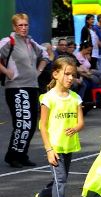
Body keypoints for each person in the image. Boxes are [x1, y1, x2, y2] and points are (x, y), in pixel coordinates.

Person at [35, 57, 84, 197]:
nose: (71, 78)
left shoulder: (75, 98)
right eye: (67, 74)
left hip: (68, 145)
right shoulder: (48, 98)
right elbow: (43, 126)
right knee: (61, 179)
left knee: (60, 179)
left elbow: (80, 122)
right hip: (54, 146)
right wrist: (49, 149)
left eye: (73, 75)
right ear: (55, 74)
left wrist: (76, 128)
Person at [0, 13, 49, 168]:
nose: (23, 28)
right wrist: (7, 72)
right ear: (14, 26)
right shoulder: (9, 42)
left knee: (31, 123)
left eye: (25, 25)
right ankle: (13, 156)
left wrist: (39, 71)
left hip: (31, 86)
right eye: (20, 25)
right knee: (22, 123)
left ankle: (22, 154)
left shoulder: (31, 42)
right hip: (16, 87)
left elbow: (46, 55)